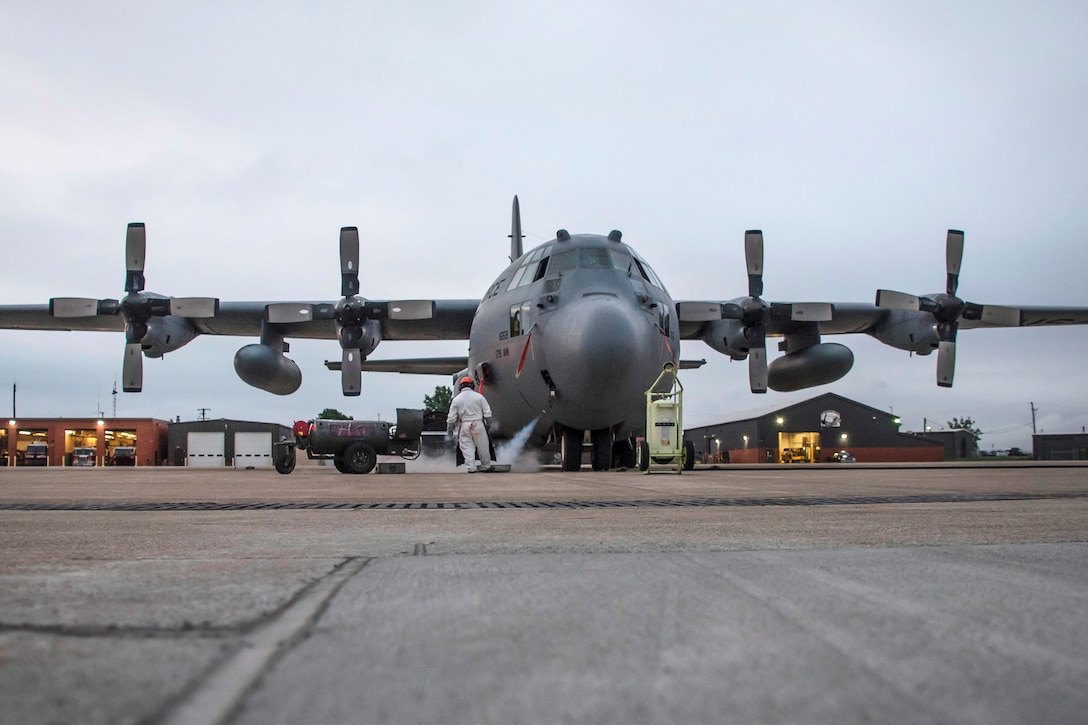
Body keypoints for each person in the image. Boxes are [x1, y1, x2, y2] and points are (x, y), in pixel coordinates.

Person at [446, 376, 494, 472]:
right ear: (472, 385)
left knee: (467, 447)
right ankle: (485, 466)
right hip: (478, 424)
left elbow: (451, 417)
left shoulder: (456, 399)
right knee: (483, 446)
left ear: (460, 387)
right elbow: (488, 413)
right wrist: (489, 424)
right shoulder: (479, 397)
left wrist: (449, 428)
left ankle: (471, 467)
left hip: (464, 425)